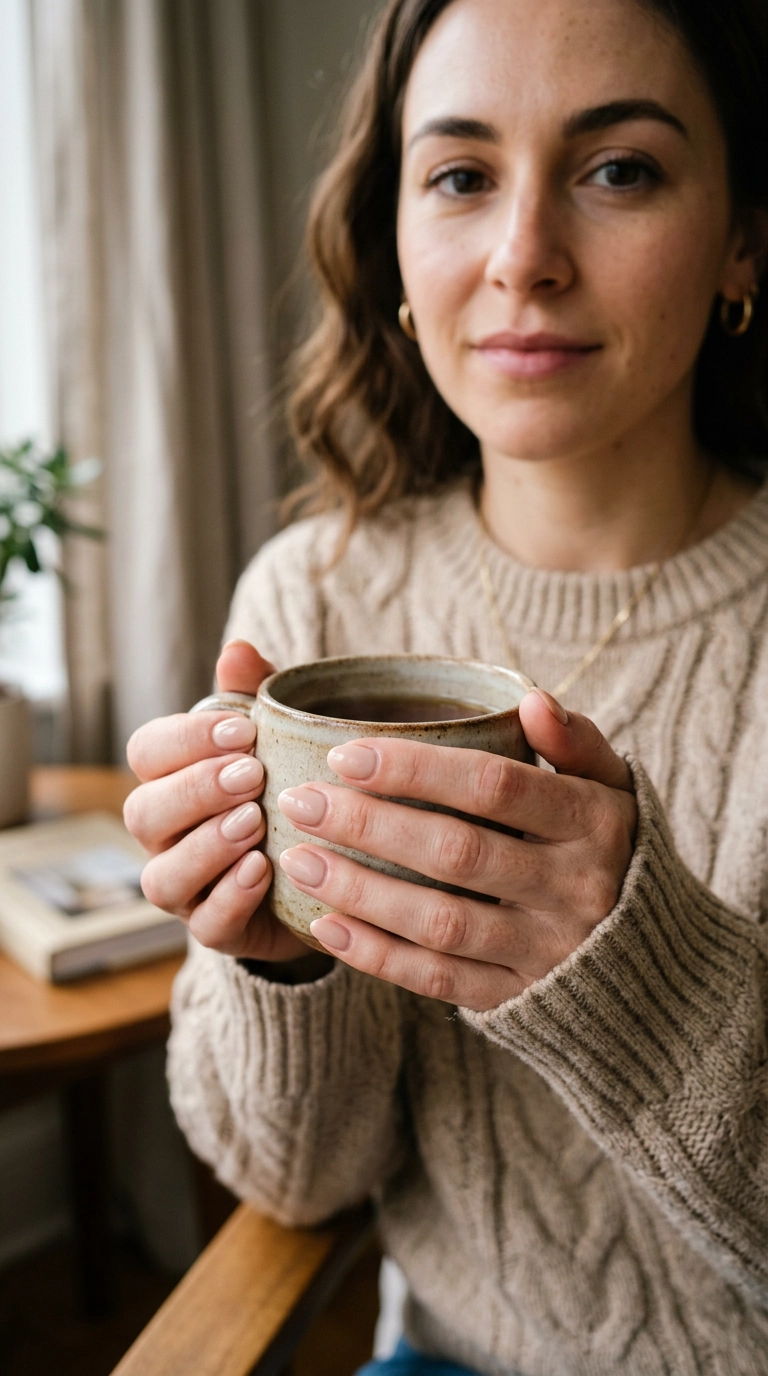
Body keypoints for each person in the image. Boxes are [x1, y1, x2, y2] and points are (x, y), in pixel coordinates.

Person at [123, 0, 768, 1371]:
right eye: (463, 175)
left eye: (621, 170)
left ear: (743, 245)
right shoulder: (310, 602)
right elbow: (296, 1185)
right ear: (395, 254)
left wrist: (639, 983)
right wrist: (277, 957)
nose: (524, 259)